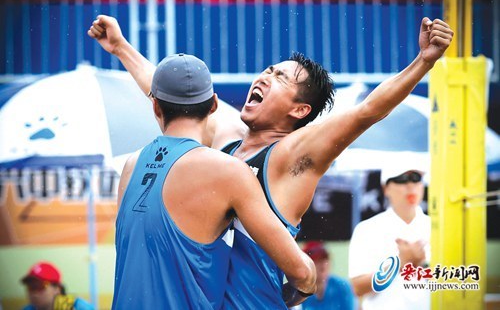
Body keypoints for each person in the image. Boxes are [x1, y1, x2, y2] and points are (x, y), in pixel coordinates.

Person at [88, 15, 452, 308]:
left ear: (299, 109)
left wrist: (423, 61)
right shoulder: (228, 144)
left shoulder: (293, 154)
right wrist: (121, 48)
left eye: (279, 76)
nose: (265, 75)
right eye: (269, 69)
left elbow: (367, 112)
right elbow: (176, 96)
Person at [109, 53, 315, 309]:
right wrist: (307, 279)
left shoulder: (131, 167)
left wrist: (120, 47)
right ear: (214, 105)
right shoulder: (227, 171)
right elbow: (302, 273)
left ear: (155, 107)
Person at [348, 164, 430, 310]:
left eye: (416, 178)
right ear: (386, 188)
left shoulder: (437, 228)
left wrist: (424, 264)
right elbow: (358, 288)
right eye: (402, 179)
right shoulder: (367, 229)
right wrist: (398, 264)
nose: (410, 185)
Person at [300, 241, 356, 310]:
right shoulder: (298, 289)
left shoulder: (342, 286)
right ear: (306, 263)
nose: (323, 264)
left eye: (325, 258)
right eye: (317, 259)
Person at [20, 261, 94, 310]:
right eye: (31, 287)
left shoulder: (78, 307)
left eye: (40, 286)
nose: (34, 293)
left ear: (57, 289)